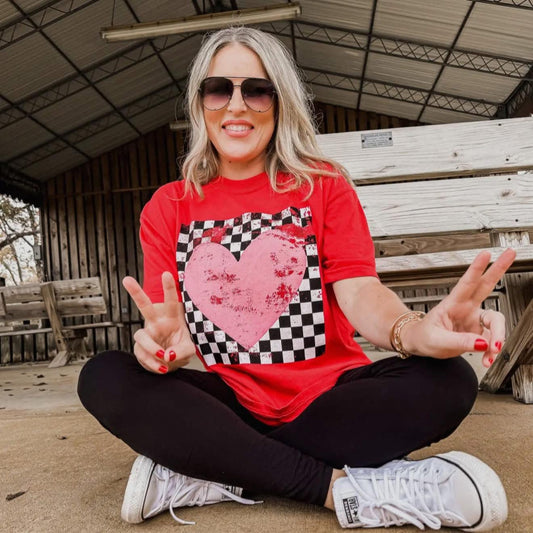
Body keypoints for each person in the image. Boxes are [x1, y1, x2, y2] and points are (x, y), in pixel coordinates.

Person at [78, 26, 515, 530]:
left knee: (449, 380)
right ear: (200, 104)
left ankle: (213, 469)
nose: (236, 106)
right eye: (219, 89)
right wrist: (158, 352)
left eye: (256, 90)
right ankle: (345, 491)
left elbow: (360, 291)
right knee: (105, 375)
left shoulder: (323, 185)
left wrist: (414, 330)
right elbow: (166, 327)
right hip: (227, 401)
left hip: (325, 403)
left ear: (279, 101)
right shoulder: (167, 206)